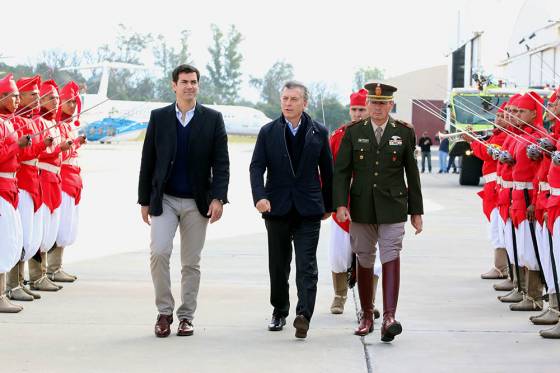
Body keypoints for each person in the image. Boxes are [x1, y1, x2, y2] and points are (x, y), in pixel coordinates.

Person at [138, 64, 230, 338]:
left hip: (196, 202)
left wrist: (219, 198)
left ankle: (186, 316)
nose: (190, 86)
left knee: (191, 262)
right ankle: (164, 312)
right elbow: (148, 160)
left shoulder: (213, 119)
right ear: (173, 85)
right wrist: (144, 200)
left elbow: (221, 163)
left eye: (194, 82)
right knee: (159, 253)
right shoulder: (159, 117)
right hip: (164, 199)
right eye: (184, 82)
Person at [333, 82, 423, 342]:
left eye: (382, 103)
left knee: (391, 255)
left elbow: (412, 173)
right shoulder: (353, 132)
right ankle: (367, 315)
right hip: (361, 207)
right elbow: (342, 172)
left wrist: (416, 211)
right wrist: (340, 204)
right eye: (373, 103)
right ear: (368, 103)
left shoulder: (403, 132)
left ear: (391, 105)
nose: (376, 108)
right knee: (364, 258)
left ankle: (389, 317)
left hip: (393, 206)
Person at [249, 80, 333, 339]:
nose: (288, 103)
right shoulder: (268, 132)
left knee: (306, 265)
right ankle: (279, 310)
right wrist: (259, 197)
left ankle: (303, 315)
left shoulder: (319, 132)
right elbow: (256, 167)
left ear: (304, 103)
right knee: (278, 264)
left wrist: (328, 204)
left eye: (294, 99)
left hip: (309, 209)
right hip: (276, 207)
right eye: (285, 98)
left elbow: (328, 172)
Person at [328, 88, 381, 317]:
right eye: (354, 109)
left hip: (371, 204)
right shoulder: (339, 135)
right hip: (343, 203)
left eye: (361, 109)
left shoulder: (380, 134)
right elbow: (327, 171)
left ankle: (369, 301)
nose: (358, 114)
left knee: (372, 256)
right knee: (339, 253)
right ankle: (339, 296)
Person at [50, 81, 86, 283]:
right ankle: (50, 269)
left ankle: (57, 266)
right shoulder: (53, 125)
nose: (72, 106)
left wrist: (76, 144)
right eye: (68, 101)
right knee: (57, 225)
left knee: (67, 224)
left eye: (75, 102)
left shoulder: (68, 126)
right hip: (61, 180)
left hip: (73, 180)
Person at [0, 73, 28, 313]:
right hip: (1, 188)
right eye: (14, 96)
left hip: (10, 187)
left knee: (10, 240)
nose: (18, 100)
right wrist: (16, 145)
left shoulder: (8, 122)